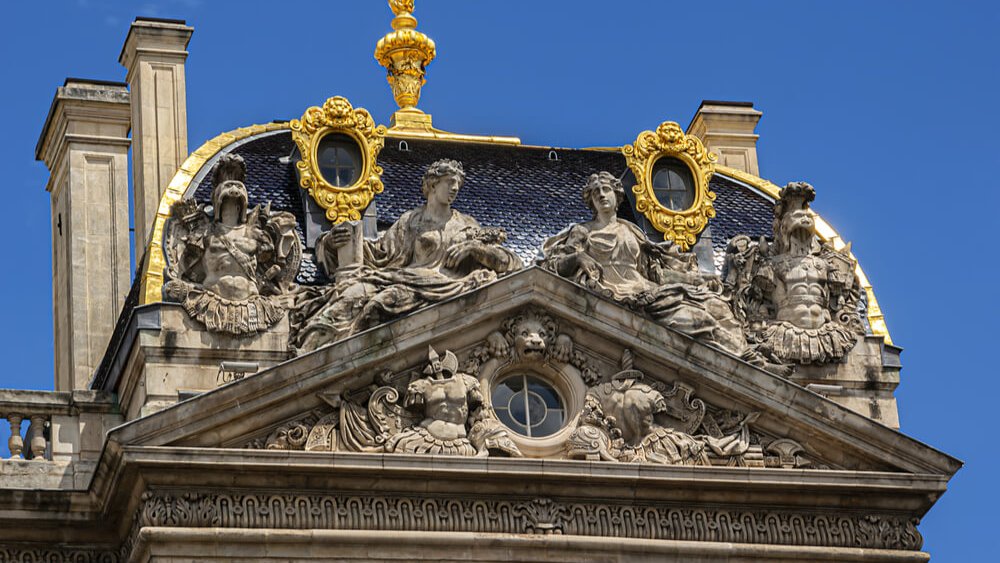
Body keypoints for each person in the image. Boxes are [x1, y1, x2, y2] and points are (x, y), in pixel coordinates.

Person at [294, 159, 522, 352]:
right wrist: (334, 243)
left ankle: (349, 356)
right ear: (433, 184)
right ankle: (310, 354)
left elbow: (512, 264)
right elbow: (380, 254)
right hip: (407, 280)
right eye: (449, 182)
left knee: (382, 301)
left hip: (447, 287)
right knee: (352, 297)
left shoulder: (466, 224)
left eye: (458, 184)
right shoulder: (412, 221)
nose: (455, 188)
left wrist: (476, 249)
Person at [542, 171, 751, 359]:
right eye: (595, 192)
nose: (601, 195)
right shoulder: (582, 231)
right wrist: (579, 258)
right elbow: (555, 264)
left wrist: (696, 279)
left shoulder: (631, 232)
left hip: (643, 289)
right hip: (609, 292)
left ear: (617, 197)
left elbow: (656, 273)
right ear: (591, 201)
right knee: (699, 321)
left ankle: (746, 359)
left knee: (711, 307)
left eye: (606, 190)